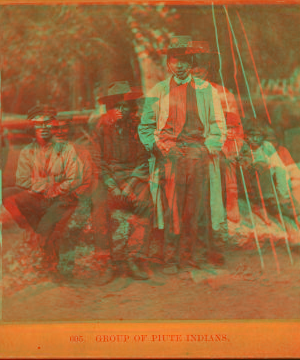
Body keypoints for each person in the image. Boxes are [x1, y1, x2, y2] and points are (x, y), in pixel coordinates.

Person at [138, 36, 227, 275]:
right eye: (175, 60)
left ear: (191, 62)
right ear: (168, 63)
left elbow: (219, 125)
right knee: (172, 208)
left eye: (185, 60)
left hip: (198, 153)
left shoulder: (207, 90)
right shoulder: (158, 90)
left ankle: (190, 256)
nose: (180, 66)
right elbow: (145, 128)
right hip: (170, 154)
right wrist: (160, 149)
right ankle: (170, 256)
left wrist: (207, 148)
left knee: (195, 207)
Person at [2, 105, 83, 271]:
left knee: (50, 223)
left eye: (47, 125)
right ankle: (34, 235)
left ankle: (52, 257)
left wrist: (57, 187)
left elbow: (75, 178)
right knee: (9, 197)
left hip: (62, 198)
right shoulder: (27, 151)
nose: (43, 129)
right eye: (39, 125)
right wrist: (47, 185)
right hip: (39, 196)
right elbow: (23, 181)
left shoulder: (65, 149)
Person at [92, 81, 153, 281]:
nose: (121, 110)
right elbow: (98, 162)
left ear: (131, 107)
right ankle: (110, 262)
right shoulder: (101, 129)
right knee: (101, 205)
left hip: (133, 176)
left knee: (145, 202)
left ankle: (134, 259)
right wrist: (113, 185)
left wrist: (130, 185)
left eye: (125, 105)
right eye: (116, 106)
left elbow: (144, 161)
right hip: (110, 177)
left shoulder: (138, 128)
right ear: (109, 109)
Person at [191, 41, 244, 225]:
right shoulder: (176, 93)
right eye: (192, 65)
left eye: (202, 65)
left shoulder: (221, 93)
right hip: (188, 144)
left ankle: (231, 200)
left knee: (224, 157)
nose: (197, 70)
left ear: (208, 66)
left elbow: (233, 127)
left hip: (217, 144)